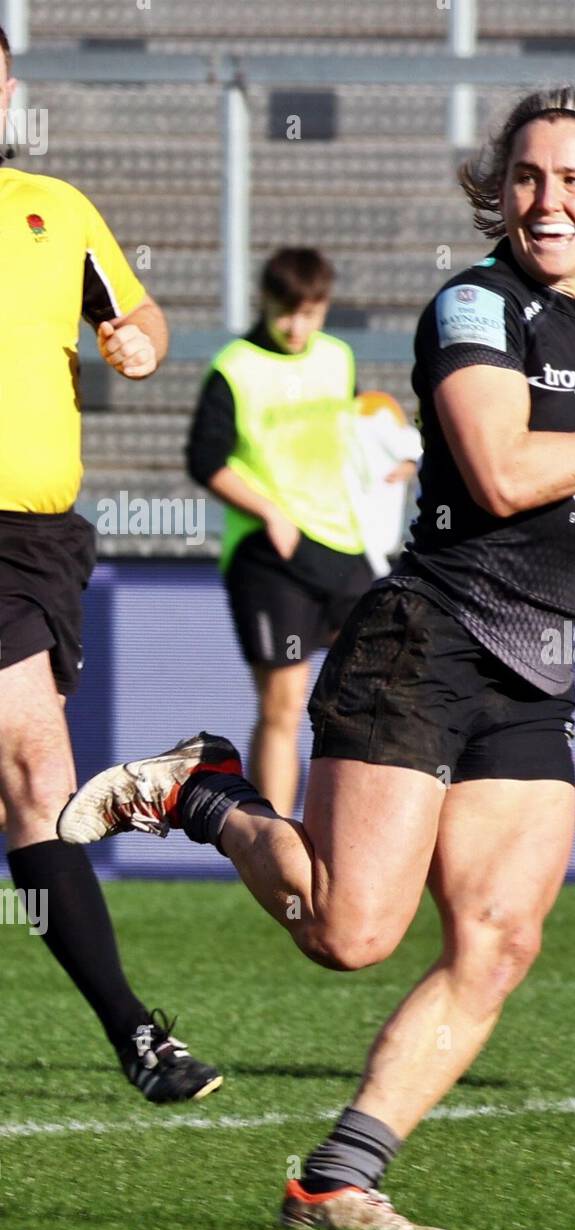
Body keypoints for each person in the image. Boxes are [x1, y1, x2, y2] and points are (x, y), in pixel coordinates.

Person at [60, 85, 575, 1230]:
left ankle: (336, 1177)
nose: (547, 200)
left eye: (574, 181)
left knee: (500, 939)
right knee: (350, 933)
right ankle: (204, 791)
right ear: (498, 190)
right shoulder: (473, 306)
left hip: (534, 666)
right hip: (423, 640)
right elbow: (496, 472)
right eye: (527, 176)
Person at [0, 25, 221, 1102]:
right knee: (37, 773)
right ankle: (136, 1034)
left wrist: (140, 334)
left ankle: (134, 1034)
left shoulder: (54, 210)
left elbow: (135, 311)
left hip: (34, 539)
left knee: (30, 785)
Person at [186, 248, 415, 818]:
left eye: (310, 312)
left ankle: (357, 828)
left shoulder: (337, 358)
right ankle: (273, 834)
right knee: (283, 705)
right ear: (265, 301)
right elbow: (204, 460)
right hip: (270, 557)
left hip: (344, 549)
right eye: (287, 311)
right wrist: (270, 513)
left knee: (372, 691)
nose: (297, 326)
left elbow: (358, 435)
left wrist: (396, 463)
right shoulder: (234, 367)